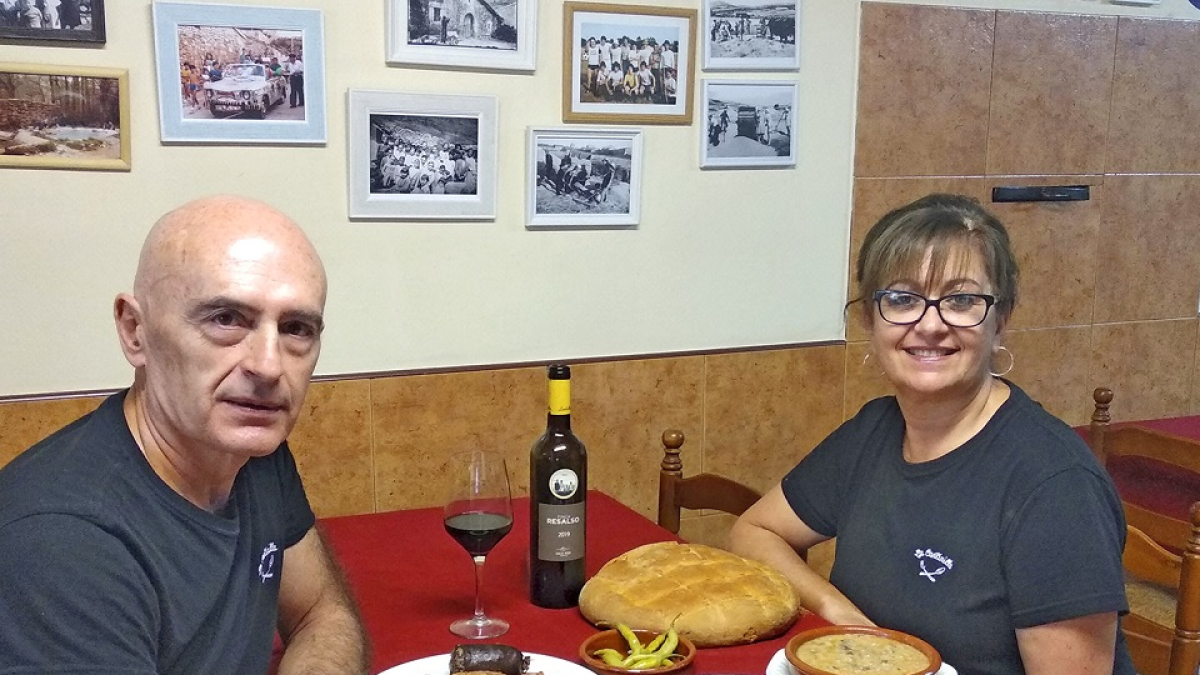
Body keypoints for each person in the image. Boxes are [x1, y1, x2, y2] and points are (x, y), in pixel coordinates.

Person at [729, 194, 1135, 675]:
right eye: (902, 299)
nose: (929, 324)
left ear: (1000, 321)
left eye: (961, 301)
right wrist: (844, 618)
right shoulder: (873, 431)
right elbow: (754, 532)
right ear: (869, 319)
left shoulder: (1055, 486)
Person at [0, 196, 370, 674]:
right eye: (225, 319)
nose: (269, 366)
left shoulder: (253, 451)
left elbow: (322, 614)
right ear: (135, 331)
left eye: (296, 328)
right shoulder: (62, 541)